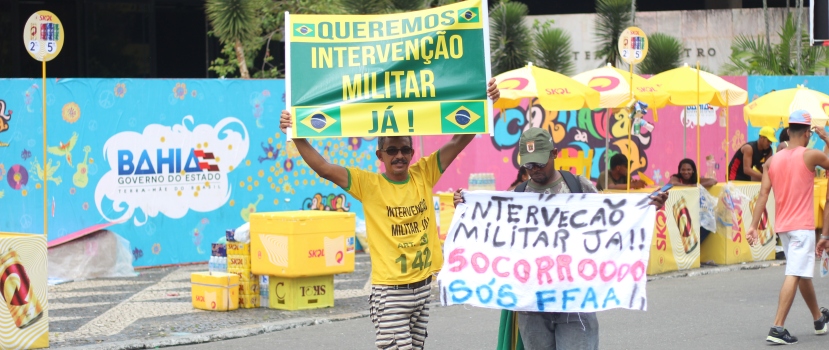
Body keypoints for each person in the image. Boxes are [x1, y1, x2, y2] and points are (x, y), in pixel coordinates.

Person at [279, 79, 500, 350]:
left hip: (421, 290)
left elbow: (459, 140)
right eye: (392, 150)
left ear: (412, 152)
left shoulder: (424, 173)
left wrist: (486, 102)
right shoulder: (368, 185)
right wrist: (297, 133)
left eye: (405, 149)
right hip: (391, 294)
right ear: (380, 155)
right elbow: (324, 167)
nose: (399, 155)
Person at [454, 128, 668, 350]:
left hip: (574, 301)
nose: (534, 169)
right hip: (532, 307)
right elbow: (494, 235)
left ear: (554, 153)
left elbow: (608, 223)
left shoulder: (577, 186)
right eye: (528, 165)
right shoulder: (518, 195)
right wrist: (466, 207)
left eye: (539, 163)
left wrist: (644, 208)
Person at [747, 110, 829, 345]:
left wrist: (753, 226)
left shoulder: (772, 161)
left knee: (802, 272)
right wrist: (826, 139)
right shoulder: (810, 155)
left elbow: (763, 194)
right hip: (802, 226)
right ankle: (777, 327)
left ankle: (818, 319)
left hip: (783, 226)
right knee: (795, 272)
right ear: (806, 133)